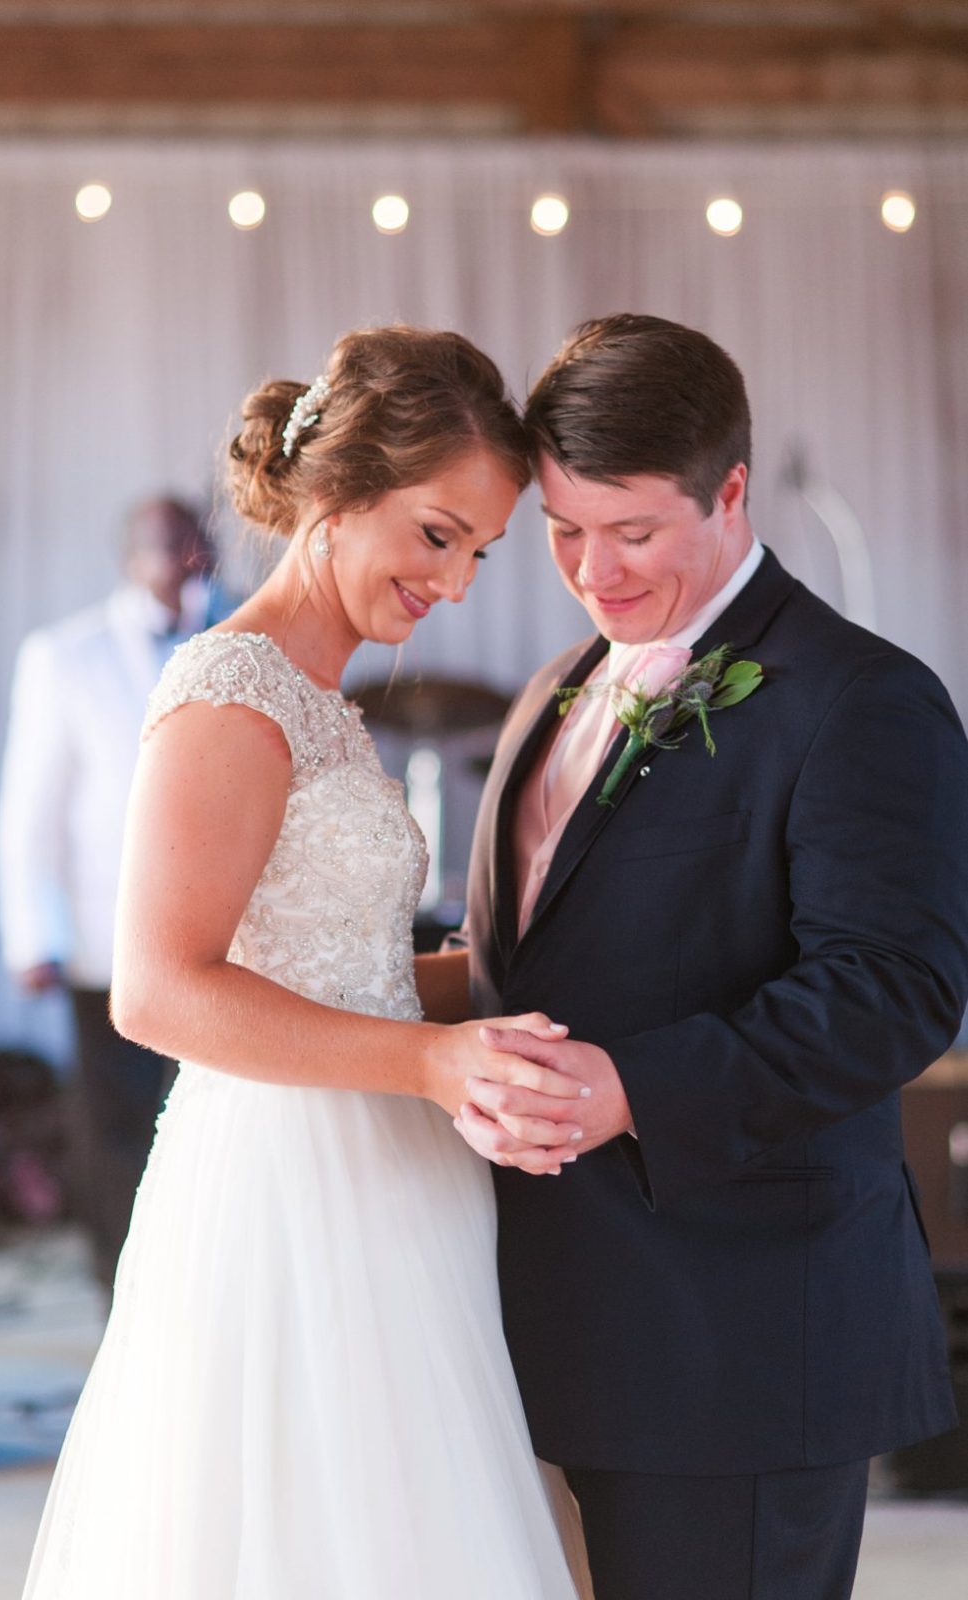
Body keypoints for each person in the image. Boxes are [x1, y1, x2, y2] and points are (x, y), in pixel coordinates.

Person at [21, 328, 591, 1600]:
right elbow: (160, 988)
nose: (456, 582)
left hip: (398, 1181)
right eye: (437, 534)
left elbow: (345, 977)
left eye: (480, 553)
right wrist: (434, 1057)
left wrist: (516, 985)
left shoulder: (321, 700)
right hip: (285, 1193)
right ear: (336, 494)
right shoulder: (233, 689)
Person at [451, 313, 968, 1600]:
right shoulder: (554, 687)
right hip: (537, 1323)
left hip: (735, 1340)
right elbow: (531, 957)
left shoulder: (863, 699)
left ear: (731, 491)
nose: (595, 572)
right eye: (566, 531)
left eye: (634, 532)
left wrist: (635, 1085)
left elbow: (896, 988)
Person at [0, 496, 222, 1282]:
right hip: (103, 937)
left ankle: (188, 1279)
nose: (183, 563)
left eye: (194, 547)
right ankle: (116, 1286)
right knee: (111, 1128)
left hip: (218, 932)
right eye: (167, 548)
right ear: (131, 556)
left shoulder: (235, 639)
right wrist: (35, 936)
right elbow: (31, 811)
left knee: (196, 1120)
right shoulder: (65, 655)